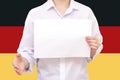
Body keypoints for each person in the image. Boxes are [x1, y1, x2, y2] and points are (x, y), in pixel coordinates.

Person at [13, 0, 103, 80]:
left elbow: (96, 45)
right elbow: (28, 51)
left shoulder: (85, 12)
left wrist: (93, 49)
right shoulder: (35, 14)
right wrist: (23, 63)